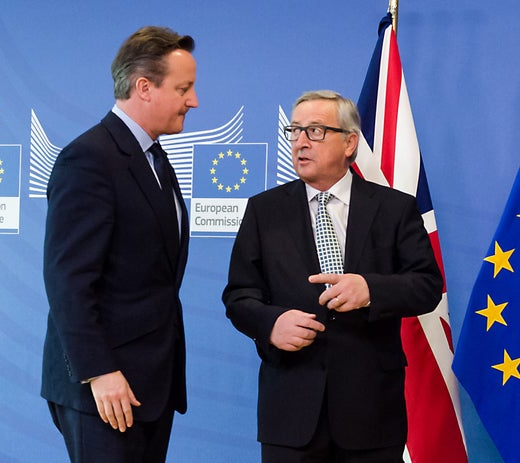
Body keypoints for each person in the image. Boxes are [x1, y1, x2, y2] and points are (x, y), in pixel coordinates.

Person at [222, 90, 443, 462]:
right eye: (294, 131)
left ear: (349, 142)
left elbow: (427, 286)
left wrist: (370, 289)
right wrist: (272, 323)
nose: (301, 142)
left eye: (315, 131)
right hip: (290, 410)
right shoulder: (264, 211)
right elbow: (239, 296)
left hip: (371, 410)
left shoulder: (394, 208)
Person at [41, 26, 197, 463]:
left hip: (149, 384)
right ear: (144, 87)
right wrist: (99, 372)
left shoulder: (155, 156)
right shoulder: (89, 158)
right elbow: (68, 280)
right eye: (184, 88)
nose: (194, 100)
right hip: (105, 388)